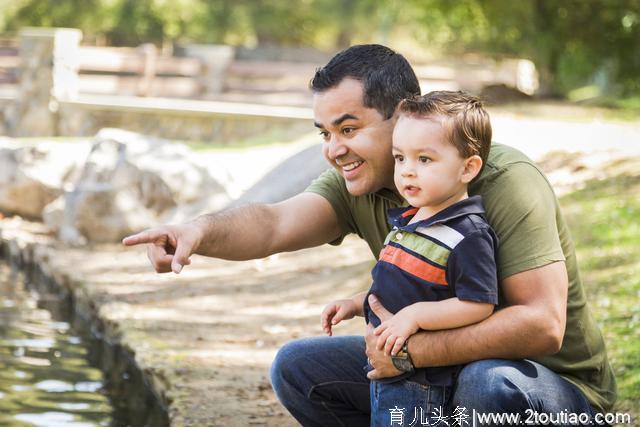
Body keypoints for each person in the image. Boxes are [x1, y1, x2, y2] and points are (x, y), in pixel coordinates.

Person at [123, 44, 616, 426]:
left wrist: (408, 353)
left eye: (349, 128)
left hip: (550, 390)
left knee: (485, 384)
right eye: (324, 133)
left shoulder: (500, 179)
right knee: (298, 368)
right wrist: (197, 232)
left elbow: (541, 326)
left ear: (402, 116)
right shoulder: (359, 183)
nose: (334, 149)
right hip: (437, 379)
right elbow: (273, 224)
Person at [321, 91, 499, 426]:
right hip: (386, 369)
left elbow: (479, 304)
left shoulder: (467, 233)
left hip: (421, 381)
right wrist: (357, 303)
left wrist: (415, 316)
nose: (407, 172)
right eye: (400, 158)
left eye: (425, 160)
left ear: (468, 167)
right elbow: (402, 287)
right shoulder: (409, 220)